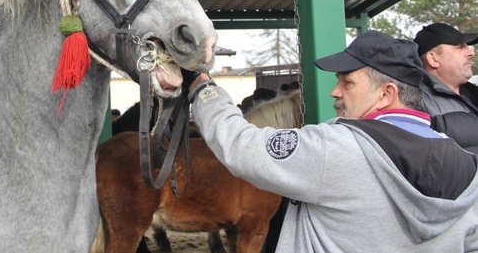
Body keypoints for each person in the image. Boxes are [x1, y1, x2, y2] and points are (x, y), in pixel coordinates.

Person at [186, 30, 478, 252]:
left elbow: (241, 145)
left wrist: (204, 90)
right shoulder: (466, 165)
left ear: (386, 94)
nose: (334, 92)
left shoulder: (337, 148)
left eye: (347, 82)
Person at [414, 22, 478, 153]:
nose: (471, 52)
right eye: (459, 46)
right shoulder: (416, 101)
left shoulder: (472, 94)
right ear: (433, 59)